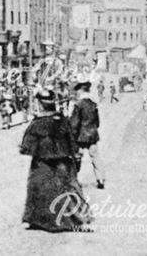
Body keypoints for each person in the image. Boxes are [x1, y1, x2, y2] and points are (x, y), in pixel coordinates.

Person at [20, 89, 92, 232]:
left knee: (37, 187)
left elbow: (26, 146)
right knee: (68, 188)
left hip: (42, 162)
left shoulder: (37, 123)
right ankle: (80, 220)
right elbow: (72, 140)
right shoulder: (63, 121)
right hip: (63, 161)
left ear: (40, 104)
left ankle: (35, 220)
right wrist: (76, 155)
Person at [69, 80, 104, 189]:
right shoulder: (93, 105)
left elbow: (74, 123)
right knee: (95, 158)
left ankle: (73, 180)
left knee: (77, 158)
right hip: (92, 135)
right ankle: (100, 179)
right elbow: (97, 123)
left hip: (80, 137)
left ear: (81, 91)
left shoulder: (78, 105)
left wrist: (72, 136)